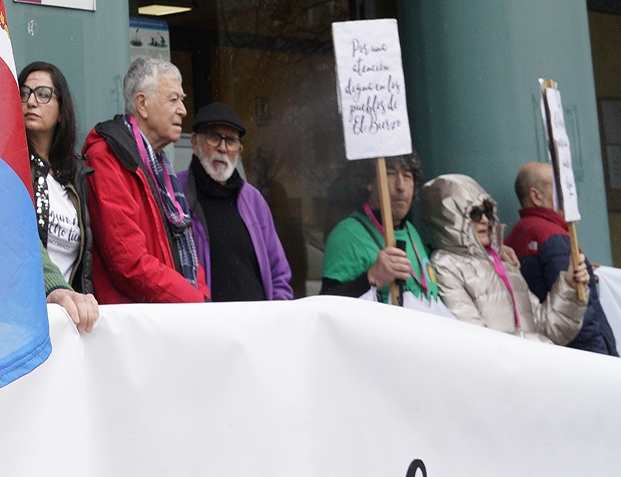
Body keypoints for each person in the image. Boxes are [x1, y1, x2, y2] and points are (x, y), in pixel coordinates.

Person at [82, 56, 208, 304]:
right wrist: (197, 303)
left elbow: (189, 254)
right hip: (136, 321)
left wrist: (201, 300)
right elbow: (128, 263)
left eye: (182, 100)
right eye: (174, 99)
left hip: (172, 314)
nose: (183, 110)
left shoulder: (161, 167)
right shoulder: (106, 157)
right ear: (142, 103)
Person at [422, 174, 584, 343]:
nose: (485, 220)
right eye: (474, 214)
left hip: (530, 358)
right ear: (450, 220)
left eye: (487, 212)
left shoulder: (505, 265)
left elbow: (549, 329)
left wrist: (570, 287)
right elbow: (474, 340)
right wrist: (538, 345)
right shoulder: (445, 265)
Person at [176, 102, 293, 301]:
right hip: (202, 319)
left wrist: (278, 312)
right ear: (195, 142)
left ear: (239, 151)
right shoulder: (176, 193)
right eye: (214, 137)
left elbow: (279, 274)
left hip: (258, 319)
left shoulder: (253, 200)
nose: (222, 148)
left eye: (230, 140)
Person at [506, 162, 617, 356]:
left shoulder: (514, 237)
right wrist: (601, 355)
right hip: (581, 352)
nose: (570, 195)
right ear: (536, 196)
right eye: (560, 188)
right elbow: (577, 309)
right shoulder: (551, 235)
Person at [21, 62, 98, 333]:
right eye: (24, 93)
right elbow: (21, 239)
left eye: (43, 94)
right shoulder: (10, 167)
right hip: (25, 319)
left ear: (62, 111)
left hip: (67, 321)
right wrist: (55, 288)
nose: (31, 101)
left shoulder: (74, 177)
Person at [320, 153, 440, 309]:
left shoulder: (410, 230)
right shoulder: (346, 235)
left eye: (407, 176)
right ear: (369, 182)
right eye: (390, 174)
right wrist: (372, 278)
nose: (401, 186)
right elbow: (326, 307)